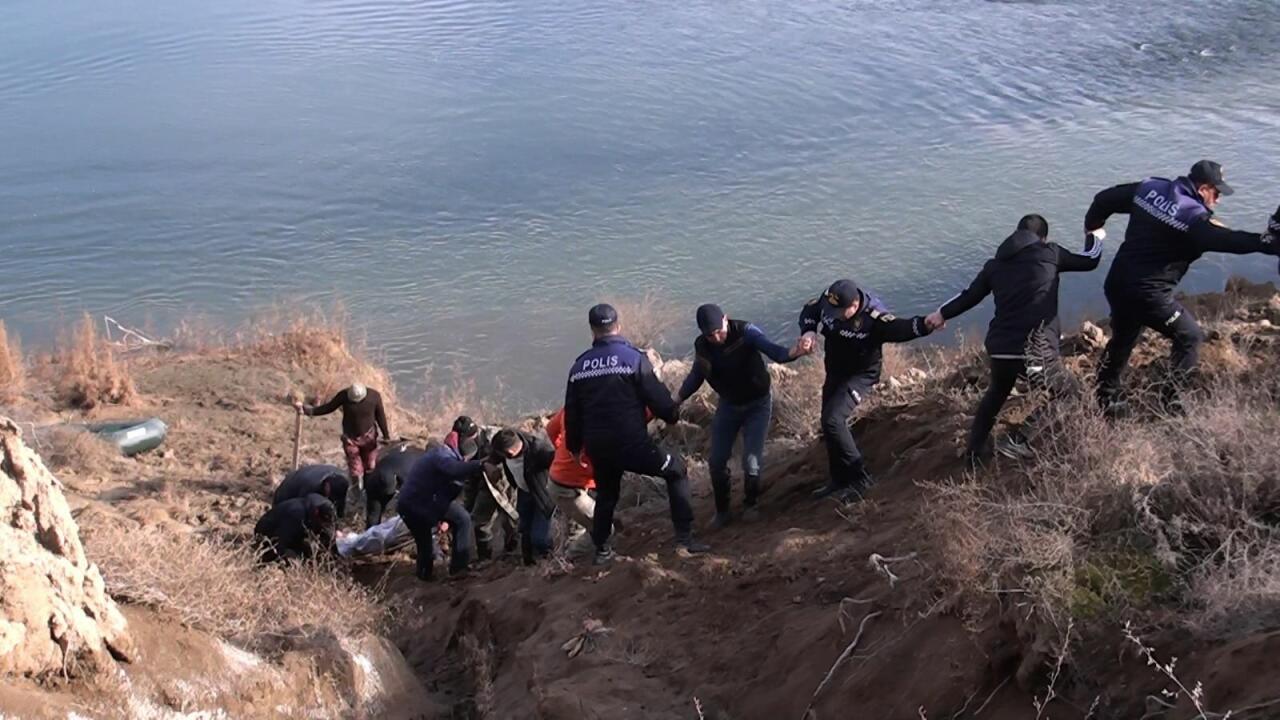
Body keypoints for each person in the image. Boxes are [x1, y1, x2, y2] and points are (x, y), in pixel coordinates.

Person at [1085, 160, 1280, 414]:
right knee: (1189, 337)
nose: (1218, 200)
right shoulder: (1194, 222)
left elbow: (1103, 199)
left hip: (1117, 282)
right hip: (1149, 295)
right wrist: (1268, 241)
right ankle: (1173, 403)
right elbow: (1233, 241)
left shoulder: (1150, 189)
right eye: (1217, 193)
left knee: (1124, 337)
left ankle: (1106, 398)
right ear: (1202, 189)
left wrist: (1093, 228)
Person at [927, 214, 1103, 465]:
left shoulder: (995, 265)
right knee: (1071, 393)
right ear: (1043, 238)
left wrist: (940, 314)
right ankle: (1019, 440)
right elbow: (1091, 259)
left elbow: (969, 296)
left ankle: (974, 453)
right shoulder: (1050, 253)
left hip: (999, 350)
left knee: (997, 392)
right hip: (1034, 351)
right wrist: (1094, 235)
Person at [564, 303, 709, 564]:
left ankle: (603, 552)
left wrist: (575, 447)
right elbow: (658, 399)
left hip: (599, 447)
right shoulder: (633, 359)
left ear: (592, 330)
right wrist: (672, 416)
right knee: (676, 470)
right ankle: (685, 539)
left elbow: (572, 413)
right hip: (632, 444)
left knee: (606, 495)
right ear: (617, 326)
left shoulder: (579, 367)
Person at [799, 279, 933, 503]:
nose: (834, 315)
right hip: (835, 371)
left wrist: (926, 324)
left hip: (861, 376)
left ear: (854, 304)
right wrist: (808, 331)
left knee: (834, 420)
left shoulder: (874, 317)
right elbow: (810, 310)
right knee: (827, 423)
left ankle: (862, 478)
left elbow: (900, 328)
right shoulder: (829, 300)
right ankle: (839, 478)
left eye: (841, 312)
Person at [675, 304, 803, 528]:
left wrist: (795, 351)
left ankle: (751, 504)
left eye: (719, 331)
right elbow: (697, 376)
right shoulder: (703, 346)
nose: (716, 337)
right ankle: (722, 511)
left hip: (758, 404)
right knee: (716, 461)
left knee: (751, 462)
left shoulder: (745, 332)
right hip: (729, 406)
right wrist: (675, 399)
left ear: (726, 319)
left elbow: (774, 352)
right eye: (709, 334)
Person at [396, 437, 484, 581]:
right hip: (420, 504)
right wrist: (479, 464)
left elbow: (446, 494)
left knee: (424, 543)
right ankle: (459, 570)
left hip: (411, 504)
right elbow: (454, 471)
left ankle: (424, 576)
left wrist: (443, 518)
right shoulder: (442, 458)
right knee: (463, 519)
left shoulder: (437, 455)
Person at [295, 383, 392, 488]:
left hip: (369, 437)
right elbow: (329, 407)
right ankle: (356, 491)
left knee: (370, 465)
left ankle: (369, 489)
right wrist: (308, 410)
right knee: (355, 468)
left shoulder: (374, 397)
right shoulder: (344, 396)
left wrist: (386, 436)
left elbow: (380, 416)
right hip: (350, 438)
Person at [543, 407, 609, 560]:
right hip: (567, 488)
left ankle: (572, 557)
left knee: (581, 524)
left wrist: (563, 450)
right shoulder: (611, 418)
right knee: (604, 527)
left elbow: (551, 428)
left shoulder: (576, 405)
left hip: (563, 481)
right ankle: (571, 561)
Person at [449, 416, 518, 561]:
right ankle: (485, 558)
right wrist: (467, 506)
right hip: (480, 479)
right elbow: (468, 477)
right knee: (480, 522)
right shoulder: (457, 444)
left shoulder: (494, 438)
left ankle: (512, 551)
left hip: (503, 477)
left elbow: (513, 457)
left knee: (509, 517)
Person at [488, 428, 558, 565]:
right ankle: (529, 563)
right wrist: (488, 464)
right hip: (524, 492)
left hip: (542, 496)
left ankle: (550, 560)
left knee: (540, 538)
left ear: (510, 452)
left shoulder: (539, 451)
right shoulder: (507, 443)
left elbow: (559, 462)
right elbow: (493, 457)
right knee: (524, 530)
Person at [254, 493, 337, 562]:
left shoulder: (313, 511)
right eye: (322, 522)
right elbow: (279, 541)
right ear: (316, 513)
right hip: (268, 534)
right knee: (298, 559)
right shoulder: (296, 514)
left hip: (288, 532)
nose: (323, 525)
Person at [364, 442, 423, 528]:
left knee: (374, 514)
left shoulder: (411, 461)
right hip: (386, 479)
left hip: (379, 477)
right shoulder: (419, 466)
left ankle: (370, 536)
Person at [273, 463, 350, 519]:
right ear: (327, 487)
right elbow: (306, 512)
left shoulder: (342, 482)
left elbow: (339, 504)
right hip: (286, 495)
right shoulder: (310, 488)